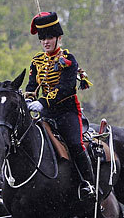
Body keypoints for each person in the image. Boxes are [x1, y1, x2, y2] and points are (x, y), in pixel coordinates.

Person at [25, 11, 96, 201]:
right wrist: (28, 98)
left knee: (75, 143)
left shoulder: (68, 59)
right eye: (42, 38)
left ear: (58, 37)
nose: (46, 42)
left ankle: (88, 183)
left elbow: (65, 88)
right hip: (44, 115)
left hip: (66, 112)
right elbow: (32, 85)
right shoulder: (36, 61)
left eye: (49, 37)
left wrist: (42, 102)